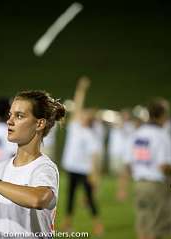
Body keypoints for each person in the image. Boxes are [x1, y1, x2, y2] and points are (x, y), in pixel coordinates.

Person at [0, 90, 65, 238]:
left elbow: (38, 199)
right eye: (10, 115)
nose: (10, 121)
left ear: (39, 123)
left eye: (19, 116)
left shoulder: (44, 168)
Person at [124, 97, 171, 239]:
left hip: (139, 184)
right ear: (163, 115)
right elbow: (163, 166)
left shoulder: (138, 133)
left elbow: (128, 163)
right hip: (156, 185)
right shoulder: (162, 135)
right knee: (157, 229)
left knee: (142, 227)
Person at [60, 76, 103, 235]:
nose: (82, 114)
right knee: (70, 197)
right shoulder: (75, 126)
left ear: (89, 120)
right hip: (72, 167)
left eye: (86, 115)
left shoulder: (90, 135)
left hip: (84, 170)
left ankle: (98, 224)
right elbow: (78, 105)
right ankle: (67, 224)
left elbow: (94, 157)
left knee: (90, 199)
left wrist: (94, 175)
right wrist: (81, 89)